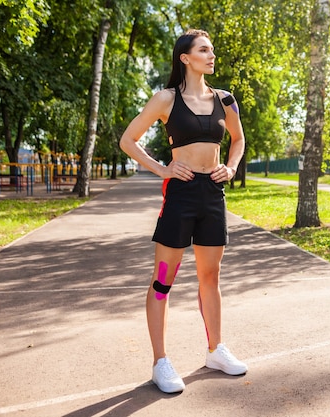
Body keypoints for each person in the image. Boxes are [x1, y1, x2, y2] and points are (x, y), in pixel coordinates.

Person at [119, 29, 247, 394]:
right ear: (185, 58)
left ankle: (215, 351)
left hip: (213, 194)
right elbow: (128, 141)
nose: (211, 56)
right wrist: (163, 169)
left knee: (211, 278)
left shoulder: (225, 100)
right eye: (204, 50)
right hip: (180, 195)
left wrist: (232, 167)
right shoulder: (165, 99)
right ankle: (160, 362)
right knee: (163, 281)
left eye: (212, 50)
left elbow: (238, 139)